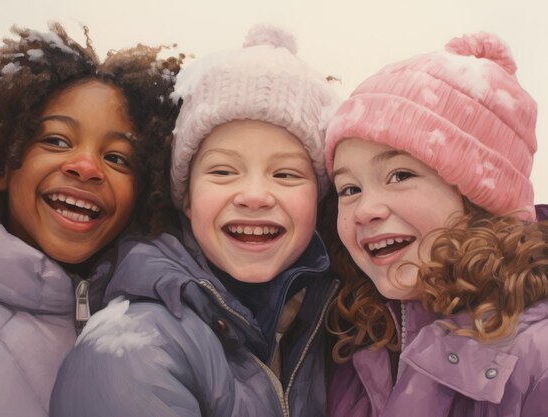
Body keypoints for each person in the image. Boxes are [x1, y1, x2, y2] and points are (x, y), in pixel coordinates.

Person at [50, 24, 340, 417]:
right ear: (185, 198)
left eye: (285, 174)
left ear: (318, 198)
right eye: (223, 171)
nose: (254, 195)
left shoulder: (337, 327)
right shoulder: (134, 351)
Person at [0, 23, 183, 417]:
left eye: (117, 158)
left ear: (148, 194)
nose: (85, 167)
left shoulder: (162, 329)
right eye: (56, 140)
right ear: (1, 164)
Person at [323, 32, 548, 417]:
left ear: (479, 196)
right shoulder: (357, 342)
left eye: (399, 175)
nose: (364, 209)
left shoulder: (537, 356)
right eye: (349, 188)